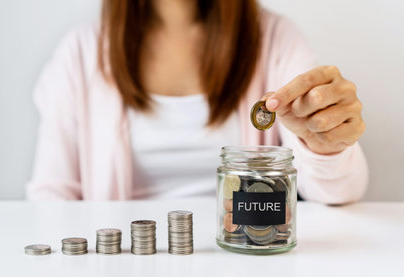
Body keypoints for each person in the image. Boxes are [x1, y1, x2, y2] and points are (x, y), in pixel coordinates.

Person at [26, 0, 368, 203]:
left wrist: (325, 143)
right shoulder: (80, 53)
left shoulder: (276, 40)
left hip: (245, 261)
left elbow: (340, 192)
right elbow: (52, 196)